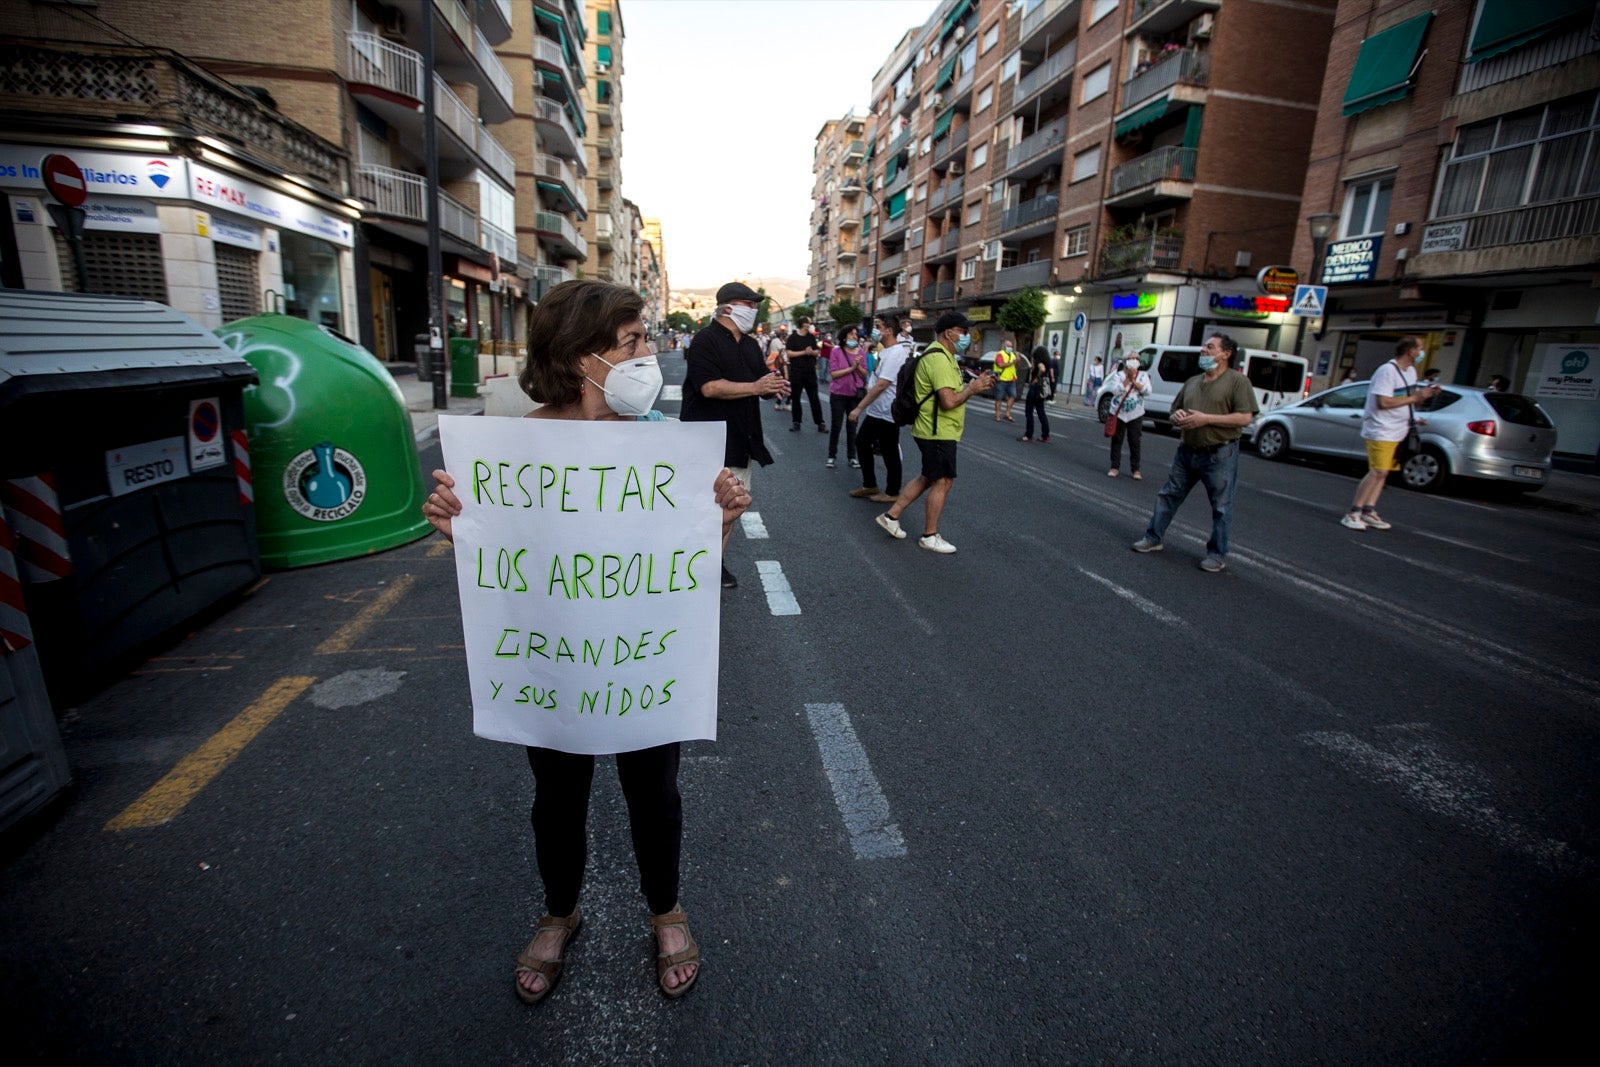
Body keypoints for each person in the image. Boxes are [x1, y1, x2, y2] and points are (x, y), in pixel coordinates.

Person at [419, 279, 752, 1005]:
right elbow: (502, 550)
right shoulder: (512, 452)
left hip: (639, 660)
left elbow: (683, 556)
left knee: (655, 794)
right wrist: (458, 523)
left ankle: (666, 910)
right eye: (632, 342)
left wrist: (720, 517)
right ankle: (558, 912)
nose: (648, 356)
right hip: (556, 660)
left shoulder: (663, 447)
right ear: (580, 357)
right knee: (557, 798)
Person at [680, 281, 790, 589]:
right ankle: (694, 573)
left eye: (755, 305)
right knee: (706, 515)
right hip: (707, 443)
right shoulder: (705, 340)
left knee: (730, 513)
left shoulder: (752, 344)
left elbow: (761, 381)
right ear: (728, 307)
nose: (754, 310)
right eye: (749, 304)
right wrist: (756, 387)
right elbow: (709, 387)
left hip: (741, 442)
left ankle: (712, 567)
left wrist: (774, 386)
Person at [1131, 333, 1258, 572]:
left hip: (1219, 453)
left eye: (1210, 347)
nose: (1204, 351)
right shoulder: (1193, 381)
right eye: (1204, 347)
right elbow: (1174, 410)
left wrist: (1206, 419)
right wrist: (1176, 417)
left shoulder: (1237, 382)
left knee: (1221, 506)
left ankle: (1217, 554)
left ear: (1226, 354)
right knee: (1168, 495)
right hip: (1187, 450)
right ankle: (1153, 537)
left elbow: (1244, 417)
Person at [874, 311, 994, 554]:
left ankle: (892, 516)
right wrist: (972, 389)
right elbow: (948, 401)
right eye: (962, 332)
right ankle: (929, 535)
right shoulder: (939, 359)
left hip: (936, 429)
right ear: (948, 333)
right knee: (943, 480)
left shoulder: (944, 356)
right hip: (936, 431)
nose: (966, 337)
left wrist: (972, 386)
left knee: (928, 476)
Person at [1341, 336, 1440, 532]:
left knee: (1383, 473)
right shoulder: (1387, 371)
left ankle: (1368, 510)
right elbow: (1383, 402)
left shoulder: (1411, 372)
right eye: (1420, 349)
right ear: (1410, 351)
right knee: (1378, 471)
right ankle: (1353, 512)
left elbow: (1404, 399)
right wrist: (1415, 397)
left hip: (1398, 429)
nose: (1422, 353)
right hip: (1381, 428)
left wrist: (1418, 406)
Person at [848, 318, 910, 504]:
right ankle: (870, 485)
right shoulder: (886, 351)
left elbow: (883, 384)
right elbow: (877, 378)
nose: (875, 331)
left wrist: (859, 407)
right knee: (862, 442)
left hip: (888, 410)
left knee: (889, 449)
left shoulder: (896, 353)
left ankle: (892, 491)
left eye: (879, 327)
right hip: (877, 410)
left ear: (889, 331)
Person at [826, 324, 867, 469]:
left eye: (856, 334)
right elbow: (834, 374)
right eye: (851, 334)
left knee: (852, 426)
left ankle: (852, 457)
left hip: (854, 395)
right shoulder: (836, 352)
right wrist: (851, 368)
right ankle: (832, 456)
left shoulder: (860, 352)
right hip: (838, 394)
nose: (854, 337)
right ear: (844, 337)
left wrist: (858, 366)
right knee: (836, 426)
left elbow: (864, 374)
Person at [1103, 355, 1152, 477]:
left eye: (1136, 359)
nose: (1134, 361)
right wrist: (1127, 379)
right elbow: (1115, 391)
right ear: (1125, 362)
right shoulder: (1118, 375)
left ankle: (1136, 469)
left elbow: (1147, 391)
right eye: (1131, 359)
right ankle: (1115, 467)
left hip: (1136, 413)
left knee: (1134, 440)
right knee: (1117, 439)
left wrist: (1134, 380)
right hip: (1119, 413)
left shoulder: (1143, 375)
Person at [785, 318, 826, 433]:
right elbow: (789, 353)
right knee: (796, 398)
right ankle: (796, 422)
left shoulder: (811, 337)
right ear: (803, 324)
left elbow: (817, 352)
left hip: (810, 372)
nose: (810, 325)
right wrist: (804, 352)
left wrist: (812, 352)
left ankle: (820, 422)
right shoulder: (793, 338)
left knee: (814, 398)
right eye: (809, 323)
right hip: (797, 372)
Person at [1019, 347, 1054, 443]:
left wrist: (1036, 378)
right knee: (1041, 412)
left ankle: (1028, 434)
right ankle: (1045, 435)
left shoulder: (1039, 362)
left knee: (1029, 412)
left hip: (1035, 388)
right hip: (1041, 390)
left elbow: (1041, 369)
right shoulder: (1047, 362)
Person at [992, 343, 1020, 422]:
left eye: (1011, 346)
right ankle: (997, 415)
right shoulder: (1000, 354)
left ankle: (1007, 413)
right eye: (1008, 346)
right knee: (999, 398)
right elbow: (1000, 364)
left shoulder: (1013, 355)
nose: (1010, 348)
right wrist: (1012, 363)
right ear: (1004, 347)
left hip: (1011, 379)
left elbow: (1017, 364)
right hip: (1001, 379)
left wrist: (1017, 358)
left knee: (1013, 395)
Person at [766, 324, 790, 412]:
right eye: (784, 335)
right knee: (783, 381)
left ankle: (780, 401)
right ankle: (781, 401)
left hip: (777, 360)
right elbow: (781, 353)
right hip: (779, 362)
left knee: (781, 381)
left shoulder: (775, 341)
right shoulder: (777, 342)